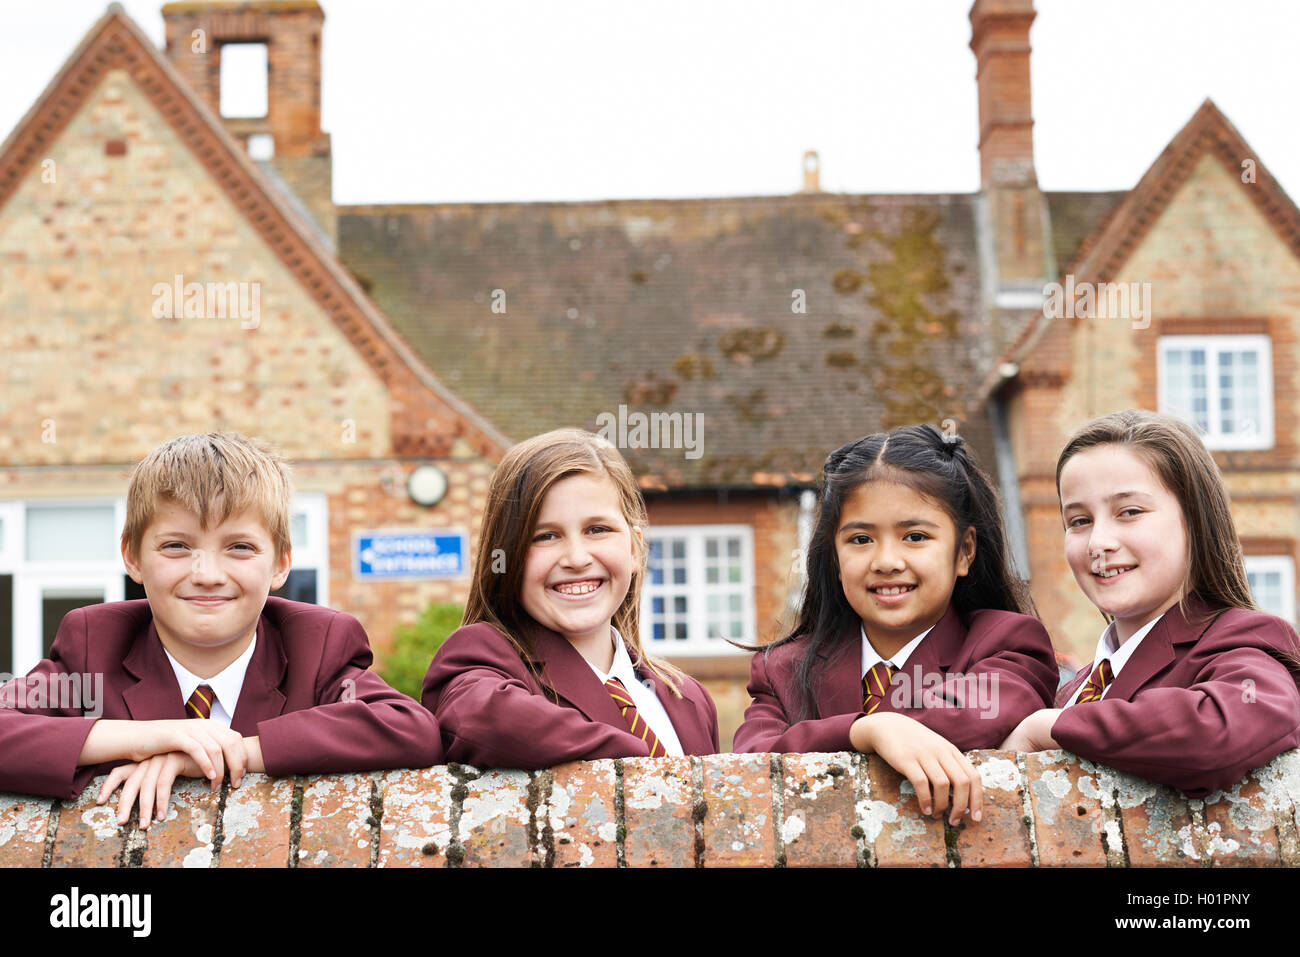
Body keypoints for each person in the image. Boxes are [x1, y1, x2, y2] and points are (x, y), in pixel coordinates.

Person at [0, 432, 441, 825]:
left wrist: (228, 752)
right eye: (176, 546)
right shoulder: (95, 645)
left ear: (282, 563)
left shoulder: (318, 645)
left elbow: (409, 728)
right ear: (132, 557)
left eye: (240, 547)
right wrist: (157, 736)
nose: (207, 573)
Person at [733, 424, 1058, 824]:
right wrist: (866, 731)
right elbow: (748, 767)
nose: (886, 561)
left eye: (915, 536)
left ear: (964, 551)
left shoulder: (1006, 644)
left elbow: (972, 716)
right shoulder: (781, 668)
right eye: (860, 540)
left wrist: (882, 726)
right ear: (833, 557)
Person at [1001, 410, 1300, 796]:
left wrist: (1047, 727)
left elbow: (1220, 729)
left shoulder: (1246, 641)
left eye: (1130, 512)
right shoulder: (1072, 689)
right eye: (1078, 521)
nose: (1098, 542)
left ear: (1195, 521)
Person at [422, 429, 719, 768]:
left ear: (635, 548)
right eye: (545, 536)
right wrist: (650, 768)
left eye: (598, 530)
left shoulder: (689, 698)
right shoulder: (480, 659)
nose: (577, 558)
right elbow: (481, 719)